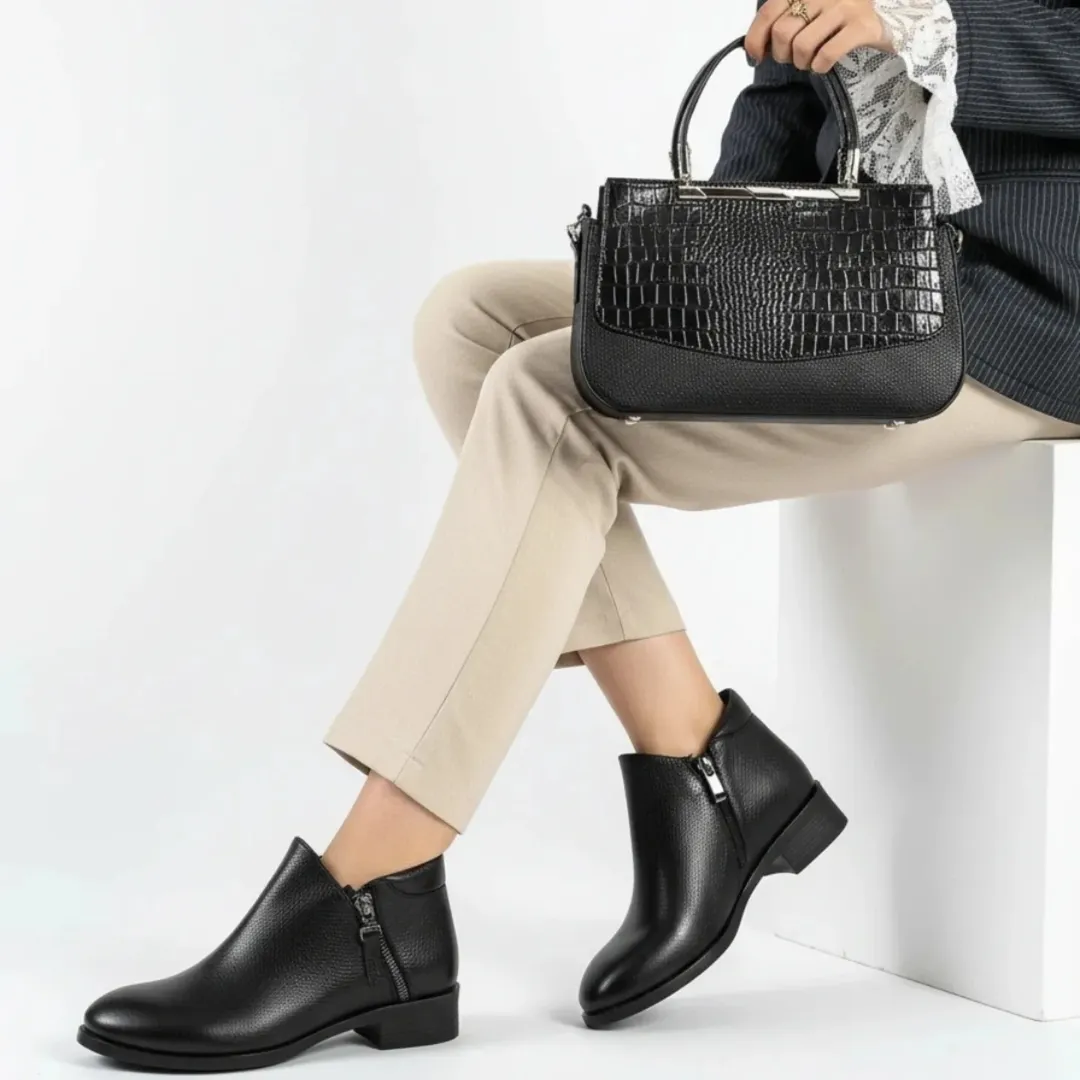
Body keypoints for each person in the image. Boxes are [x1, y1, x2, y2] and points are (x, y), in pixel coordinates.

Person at [76, 0, 1080, 1071]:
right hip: (856, 264)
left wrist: (920, 24)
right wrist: (717, 252)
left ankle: (375, 889)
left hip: (1017, 307)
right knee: (472, 322)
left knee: (549, 393)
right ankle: (704, 767)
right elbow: (790, 85)